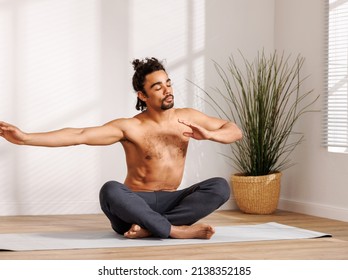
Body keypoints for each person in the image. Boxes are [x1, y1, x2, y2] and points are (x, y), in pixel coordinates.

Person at [0, 57, 242, 239]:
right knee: (110, 190)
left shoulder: (188, 117)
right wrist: (24, 138)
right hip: (133, 206)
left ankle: (152, 229)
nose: (167, 90)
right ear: (142, 95)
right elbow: (79, 135)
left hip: (171, 200)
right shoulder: (130, 127)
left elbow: (234, 130)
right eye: (158, 87)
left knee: (219, 187)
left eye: (168, 83)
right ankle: (174, 230)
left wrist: (210, 134)